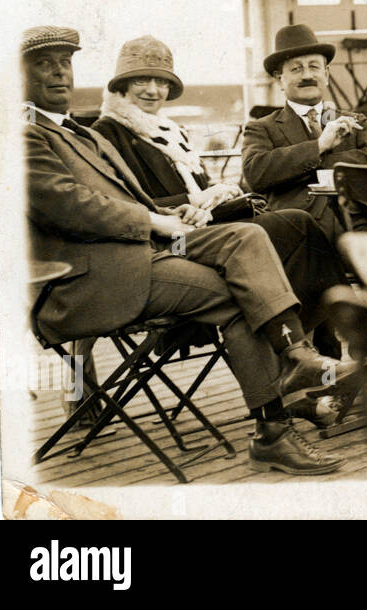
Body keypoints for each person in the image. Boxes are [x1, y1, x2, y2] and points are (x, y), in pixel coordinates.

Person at [22, 26, 367, 476]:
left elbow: (130, 201)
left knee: (248, 238)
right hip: (90, 277)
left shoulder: (82, 135)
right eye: (44, 64)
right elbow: (69, 206)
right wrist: (155, 218)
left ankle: (297, 357)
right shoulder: (22, 136)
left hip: (143, 249)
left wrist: (186, 208)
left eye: (65, 63)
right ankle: (274, 427)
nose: (59, 73)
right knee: (240, 288)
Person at [91, 35, 350, 427]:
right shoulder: (106, 134)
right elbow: (128, 205)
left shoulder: (169, 133)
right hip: (165, 243)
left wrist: (224, 198)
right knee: (278, 233)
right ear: (121, 86)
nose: (153, 90)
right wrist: (194, 202)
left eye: (161, 82)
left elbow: (201, 195)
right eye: (142, 80)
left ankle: (308, 353)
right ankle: (298, 363)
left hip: (204, 230)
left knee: (300, 225)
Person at [241, 24, 367, 243]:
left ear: (326, 75)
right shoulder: (262, 127)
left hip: (361, 221)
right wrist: (319, 146)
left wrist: (316, 161)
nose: (307, 75)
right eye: (296, 69)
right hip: (302, 231)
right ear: (279, 80)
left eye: (314, 67)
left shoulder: (355, 121)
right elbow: (255, 174)